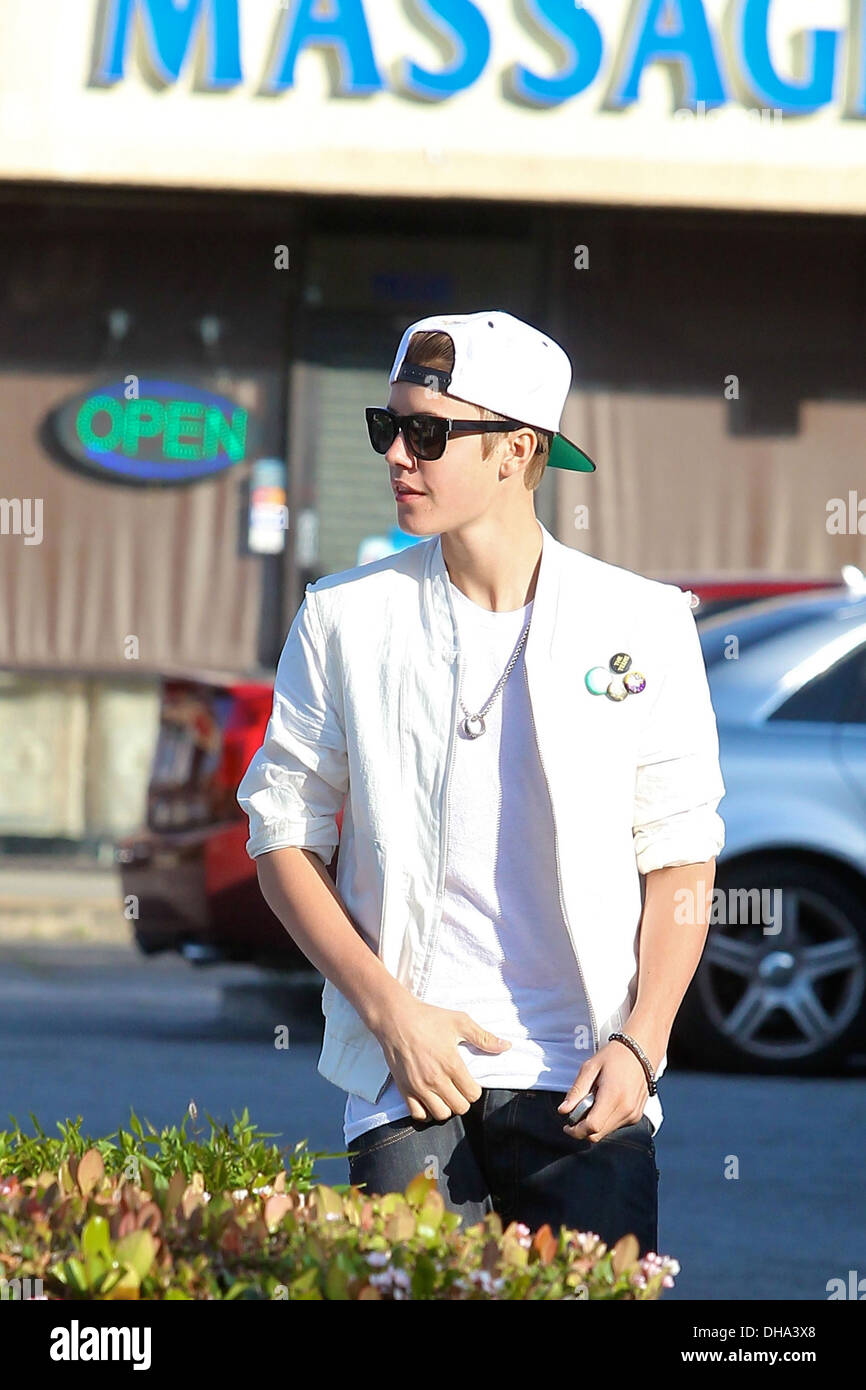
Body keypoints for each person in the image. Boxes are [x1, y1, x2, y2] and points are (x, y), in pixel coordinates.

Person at [236, 310, 726, 1258]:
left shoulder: (643, 622)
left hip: (589, 1079)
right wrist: (389, 1013)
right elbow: (280, 836)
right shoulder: (345, 617)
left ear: (517, 450)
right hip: (409, 1079)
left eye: (429, 433)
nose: (398, 456)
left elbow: (679, 859)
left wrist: (643, 1045)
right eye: (389, 427)